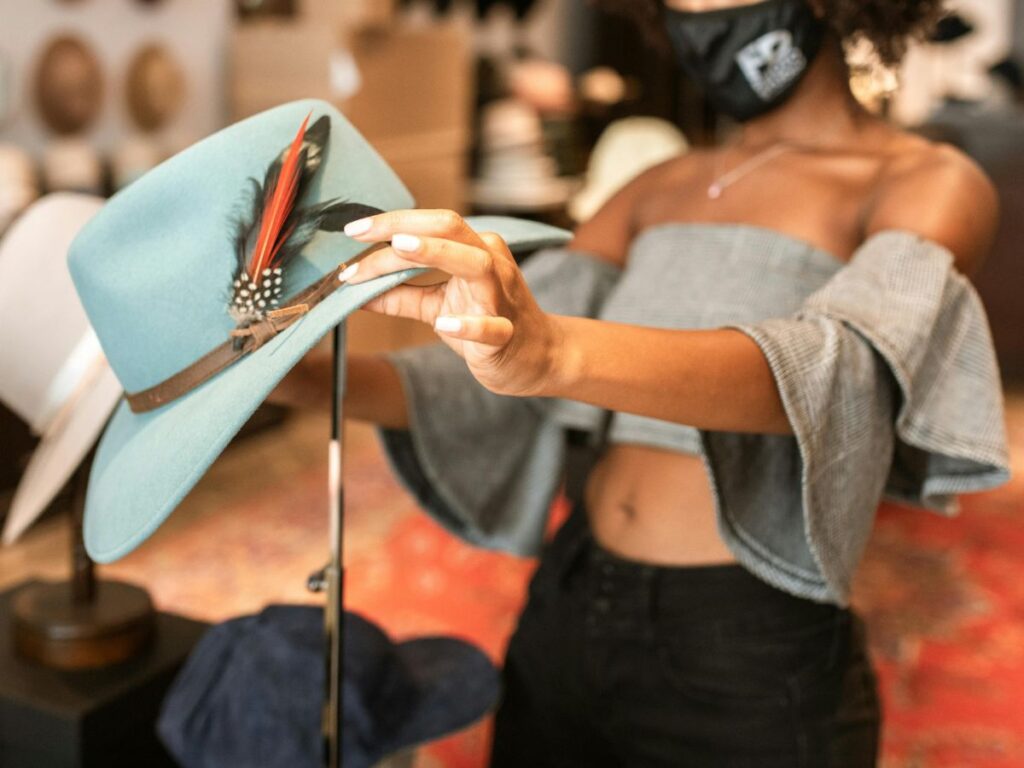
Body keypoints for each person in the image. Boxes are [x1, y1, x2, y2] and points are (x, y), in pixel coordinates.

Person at [273, 0, 1010, 764]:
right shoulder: (659, 186)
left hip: (747, 643)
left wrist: (553, 353)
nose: (692, 16)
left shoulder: (925, 182)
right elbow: (468, 375)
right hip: (568, 598)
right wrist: (296, 378)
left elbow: (841, 372)